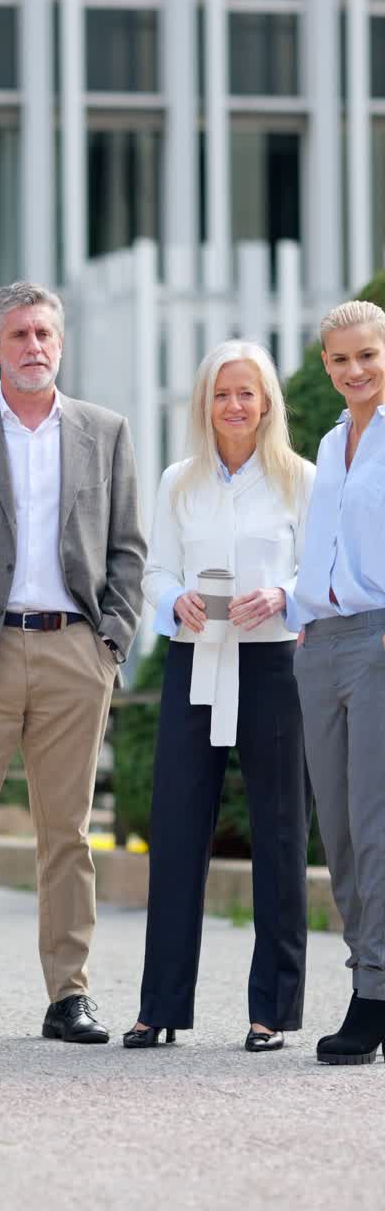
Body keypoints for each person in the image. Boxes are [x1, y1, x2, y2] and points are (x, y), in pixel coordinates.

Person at [0, 281, 146, 1047]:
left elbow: (128, 551)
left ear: (60, 342)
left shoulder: (105, 431)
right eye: (18, 335)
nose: (33, 347)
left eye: (44, 333)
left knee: (68, 835)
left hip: (76, 653)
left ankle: (68, 995)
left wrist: (109, 644)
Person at [124, 340, 314, 1053]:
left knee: (281, 834)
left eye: (247, 393)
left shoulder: (302, 481)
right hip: (194, 665)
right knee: (174, 834)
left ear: (267, 402)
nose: (234, 406)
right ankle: (160, 1006)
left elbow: (320, 572)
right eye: (221, 394)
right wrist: (175, 601)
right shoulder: (179, 480)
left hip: (273, 671)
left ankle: (274, 1011)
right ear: (205, 402)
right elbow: (154, 569)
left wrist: (287, 595)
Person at [293, 299, 385, 1065]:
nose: (355, 370)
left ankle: (374, 993)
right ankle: (369, 971)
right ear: (325, 364)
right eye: (340, 359)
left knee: (377, 822)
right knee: (341, 832)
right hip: (318, 644)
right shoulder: (329, 443)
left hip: (379, 640)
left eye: (368, 355)